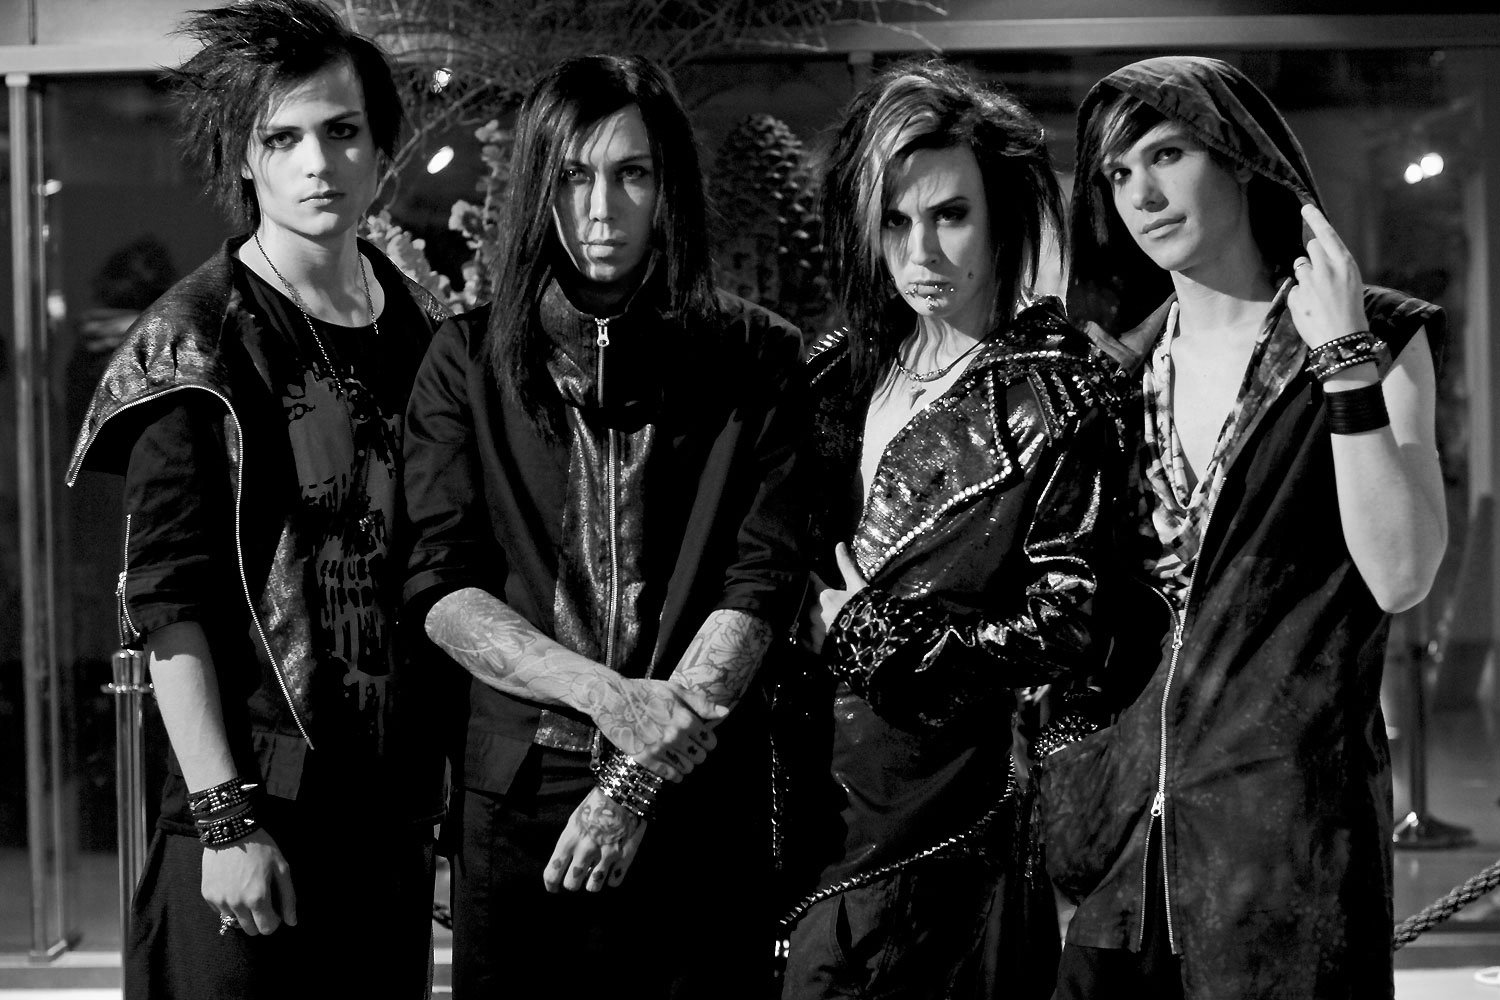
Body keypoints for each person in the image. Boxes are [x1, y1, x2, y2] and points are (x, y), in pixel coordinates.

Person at [401, 54, 807, 999]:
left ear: (669, 187)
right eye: (574, 176)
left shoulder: (755, 356)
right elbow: (441, 586)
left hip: (696, 790)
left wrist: (633, 780)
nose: (600, 209)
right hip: (518, 796)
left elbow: (764, 580)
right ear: (539, 186)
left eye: (632, 175)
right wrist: (605, 696)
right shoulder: (466, 360)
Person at [64, 2, 450, 996]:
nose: (317, 162)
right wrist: (225, 821)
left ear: (381, 152)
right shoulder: (193, 340)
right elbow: (166, 603)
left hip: (385, 820)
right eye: (282, 138)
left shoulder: (418, 323)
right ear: (244, 158)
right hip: (252, 816)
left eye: (341, 130)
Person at [1046, 55, 1447, 1000]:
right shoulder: (1114, 381)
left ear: (1238, 159)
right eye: (1118, 173)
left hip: (1286, 861)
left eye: (1167, 154)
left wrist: (1342, 358)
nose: (1141, 195)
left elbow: (1401, 572)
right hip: (1117, 865)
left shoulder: (1374, 339)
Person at [776, 59, 1125, 1000]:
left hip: (946, 814)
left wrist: (877, 634)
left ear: (1002, 216)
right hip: (804, 801)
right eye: (895, 222)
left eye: (950, 215)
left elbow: (1070, 624)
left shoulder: (1056, 395)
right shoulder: (835, 371)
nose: (921, 252)